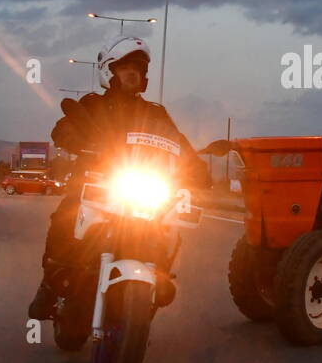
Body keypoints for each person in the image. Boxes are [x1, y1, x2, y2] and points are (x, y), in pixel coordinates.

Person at [27, 36, 211, 320]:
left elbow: (179, 143)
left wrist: (197, 168)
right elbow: (63, 130)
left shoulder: (156, 113)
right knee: (66, 216)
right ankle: (52, 283)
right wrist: (77, 140)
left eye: (138, 70)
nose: (133, 74)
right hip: (96, 184)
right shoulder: (93, 105)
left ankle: (156, 277)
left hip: (140, 186)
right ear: (109, 72)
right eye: (125, 68)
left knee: (167, 228)